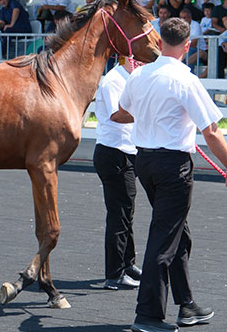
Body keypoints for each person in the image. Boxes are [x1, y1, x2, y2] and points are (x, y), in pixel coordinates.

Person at [115, 17, 227, 332]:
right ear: (187, 45)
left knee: (176, 232)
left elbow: (125, 111)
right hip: (173, 165)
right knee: (164, 236)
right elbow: (211, 131)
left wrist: (153, 118)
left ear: (159, 42)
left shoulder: (139, 75)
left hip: (145, 161)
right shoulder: (185, 79)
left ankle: (186, 304)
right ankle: (148, 314)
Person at [93, 61, 142, 291]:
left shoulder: (129, 78)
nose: (142, 63)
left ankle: (127, 263)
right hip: (114, 152)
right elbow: (117, 115)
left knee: (126, 212)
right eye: (139, 59)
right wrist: (148, 113)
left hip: (124, 151)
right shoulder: (114, 80)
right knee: (119, 213)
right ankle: (114, 273)